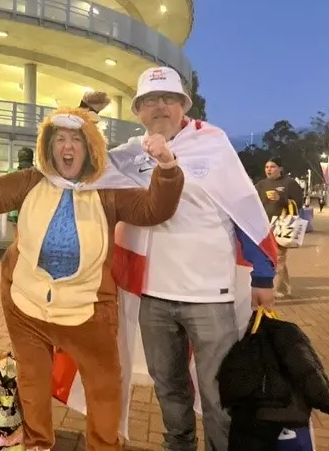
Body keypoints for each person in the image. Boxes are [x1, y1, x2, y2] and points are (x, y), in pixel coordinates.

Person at [0, 106, 185, 450]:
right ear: (49, 146)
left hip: (88, 311)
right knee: (32, 382)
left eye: (76, 139)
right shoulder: (32, 180)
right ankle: (37, 444)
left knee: (104, 388)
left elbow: (155, 209)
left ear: (90, 146)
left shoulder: (107, 189)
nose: (67, 146)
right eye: (60, 138)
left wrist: (167, 167)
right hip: (26, 304)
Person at [103, 67, 277, 450]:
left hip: (208, 293)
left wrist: (263, 278)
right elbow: (82, 166)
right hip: (154, 295)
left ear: (184, 105)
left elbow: (244, 208)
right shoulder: (131, 154)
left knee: (219, 395)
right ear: (138, 111)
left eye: (169, 99)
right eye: (150, 100)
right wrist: (84, 110)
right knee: (169, 389)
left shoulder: (213, 143)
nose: (160, 107)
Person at [255, 156, 304, 297]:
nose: (269, 169)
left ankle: (273, 289)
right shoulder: (261, 184)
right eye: (267, 167)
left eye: (272, 167)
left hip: (283, 225)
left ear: (280, 169)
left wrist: (281, 199)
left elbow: (298, 203)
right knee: (273, 257)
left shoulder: (289, 183)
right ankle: (284, 288)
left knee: (278, 258)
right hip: (265, 226)